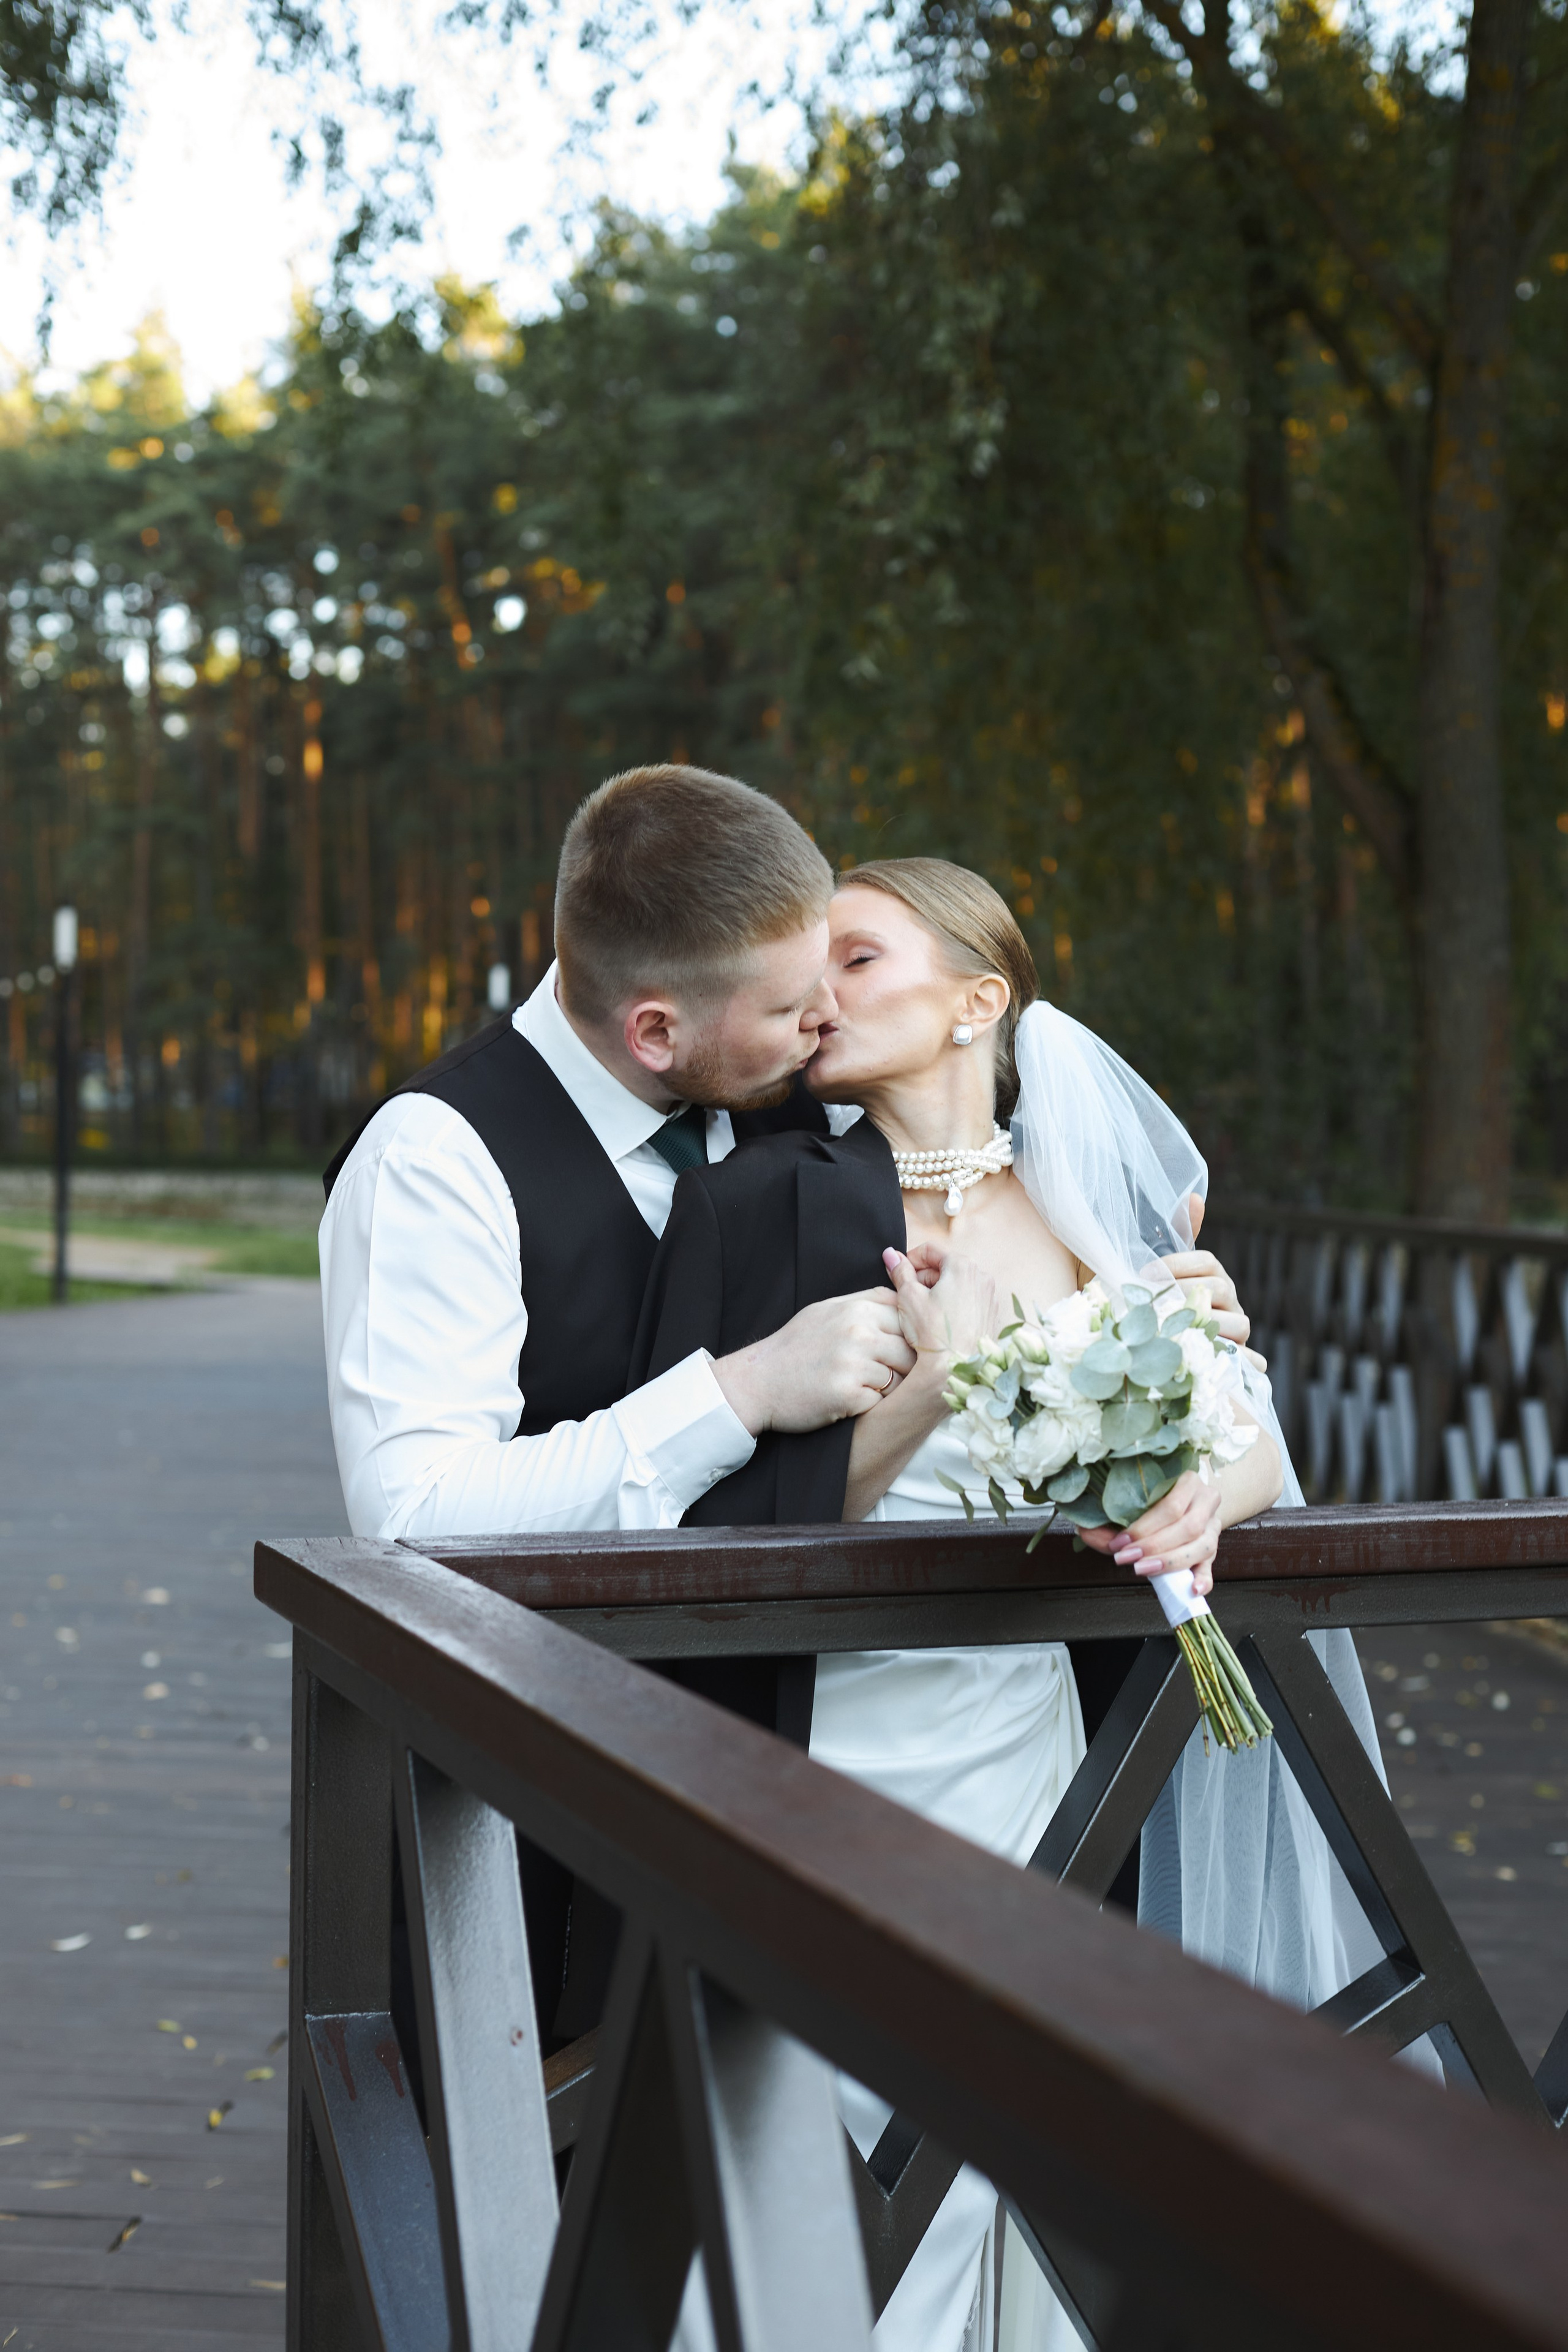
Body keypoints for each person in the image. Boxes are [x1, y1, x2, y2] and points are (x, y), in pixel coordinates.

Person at [638, 857, 1392, 2352]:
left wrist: (1202, 1501)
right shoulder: (753, 1200)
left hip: (1050, 1755)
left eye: (855, 958)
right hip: (831, 1746)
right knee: (845, 2133)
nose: (816, 994)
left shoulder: (1098, 1201)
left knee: (1030, 2142)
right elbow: (732, 1522)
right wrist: (924, 1384)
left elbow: (1243, 1434)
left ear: (976, 999)